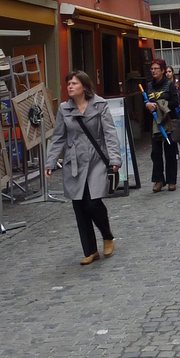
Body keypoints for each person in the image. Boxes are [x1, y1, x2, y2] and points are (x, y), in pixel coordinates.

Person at [45, 71, 120, 265]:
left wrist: (115, 160)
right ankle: (90, 250)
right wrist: (50, 162)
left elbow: (110, 133)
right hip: (74, 161)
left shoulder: (99, 105)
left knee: (93, 202)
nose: (70, 86)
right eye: (68, 83)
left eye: (74, 83)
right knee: (79, 205)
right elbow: (59, 136)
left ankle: (107, 235)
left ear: (84, 87)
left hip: (96, 159)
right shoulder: (64, 109)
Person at [144, 58, 179, 192]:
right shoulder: (149, 86)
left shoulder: (169, 85)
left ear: (163, 70)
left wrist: (160, 106)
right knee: (155, 152)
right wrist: (147, 105)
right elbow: (146, 102)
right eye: (151, 69)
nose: (153, 71)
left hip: (168, 121)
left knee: (170, 151)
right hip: (154, 123)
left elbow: (175, 102)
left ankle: (171, 180)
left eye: (156, 69)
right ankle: (158, 180)